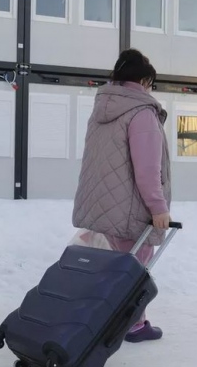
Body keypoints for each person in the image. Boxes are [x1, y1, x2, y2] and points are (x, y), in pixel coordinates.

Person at [71, 48, 171, 343]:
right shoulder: (141, 113)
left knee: (104, 269)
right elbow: (147, 168)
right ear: (143, 79)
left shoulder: (102, 109)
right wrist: (158, 207)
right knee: (134, 268)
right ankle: (134, 325)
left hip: (99, 206)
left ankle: (99, 318)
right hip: (128, 208)